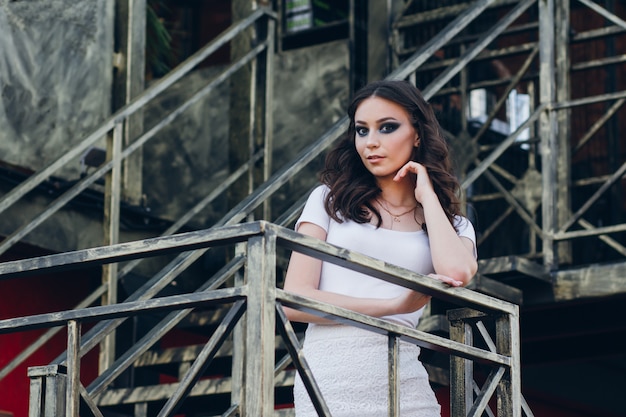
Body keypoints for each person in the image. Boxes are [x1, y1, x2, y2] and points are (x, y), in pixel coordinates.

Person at [283, 79, 478, 416]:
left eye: (387, 128)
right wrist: (392, 306)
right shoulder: (329, 201)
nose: (371, 143)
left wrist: (427, 196)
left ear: (417, 134)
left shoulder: (452, 225)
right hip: (330, 377)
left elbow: (457, 273)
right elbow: (294, 300)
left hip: (405, 380)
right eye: (362, 130)